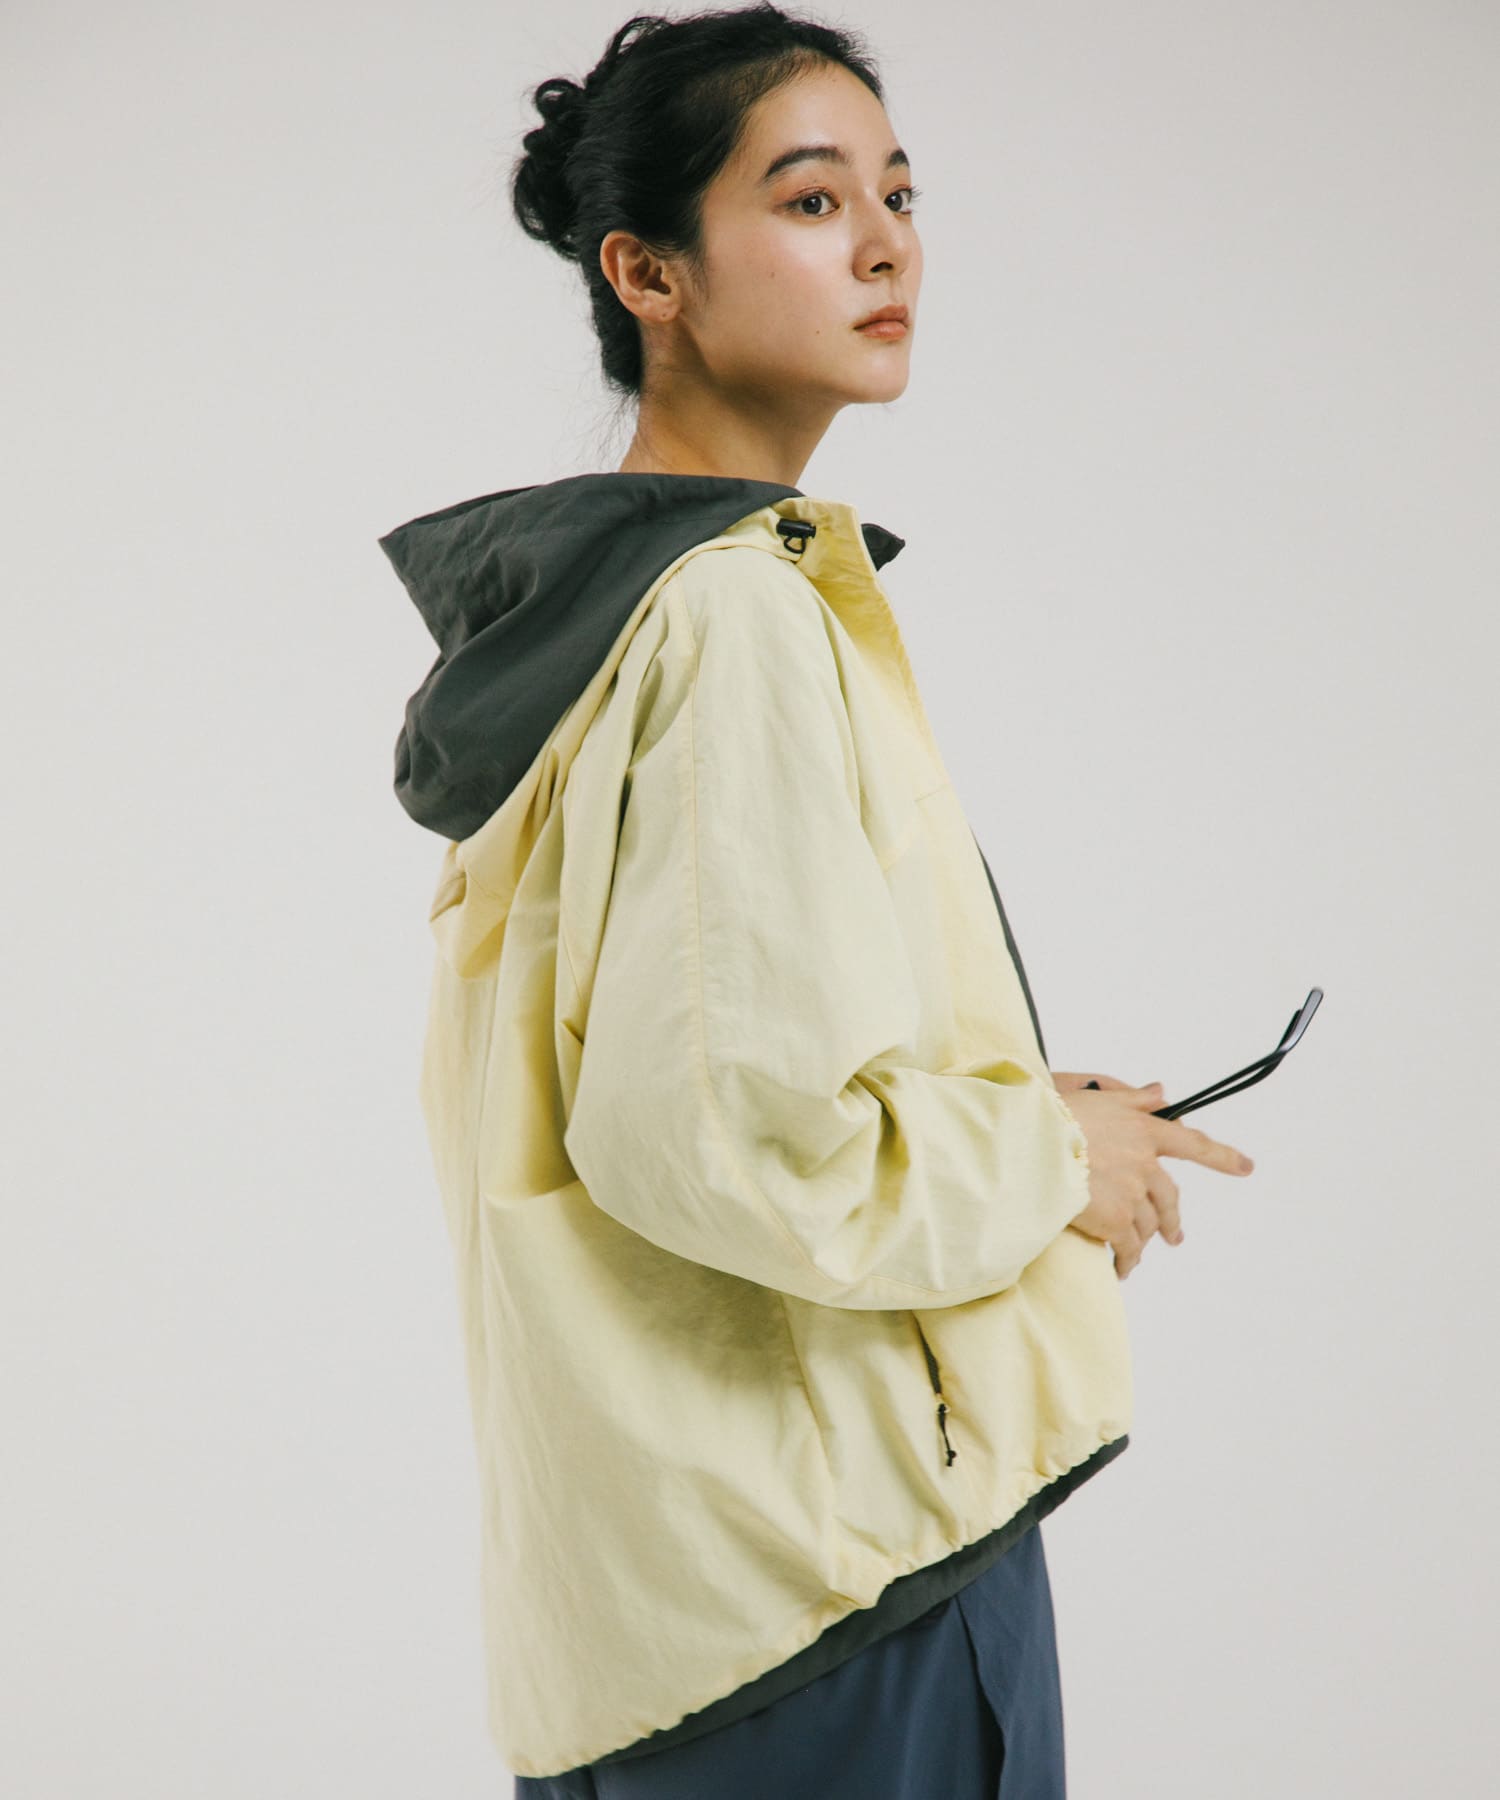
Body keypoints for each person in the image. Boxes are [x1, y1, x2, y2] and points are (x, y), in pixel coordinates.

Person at [377, 6, 1257, 1794]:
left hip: (654, 1611)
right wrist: (1045, 1162)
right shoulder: (732, 616)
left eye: (899, 194)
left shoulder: (597, 622)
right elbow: (724, 1133)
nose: (884, 246)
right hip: (831, 1596)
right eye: (807, 198)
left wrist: (1015, 1110)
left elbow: (679, 1065)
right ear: (648, 273)